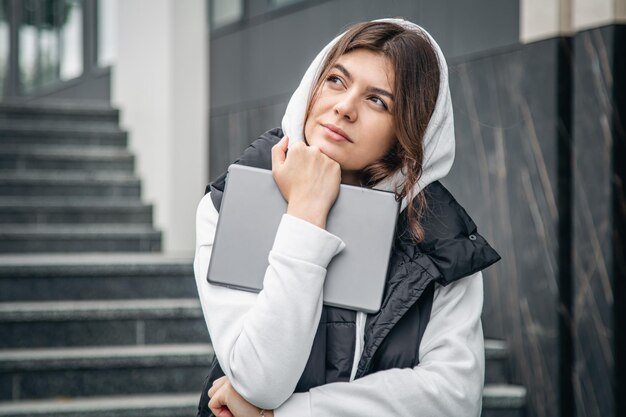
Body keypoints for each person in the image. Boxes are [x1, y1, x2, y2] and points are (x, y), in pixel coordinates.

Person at [193, 18, 500, 417]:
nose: (344, 107)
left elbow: (454, 397)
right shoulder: (228, 203)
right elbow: (260, 378)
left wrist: (292, 414)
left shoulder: (444, 242)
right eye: (337, 80)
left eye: (378, 100)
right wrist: (305, 213)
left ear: (410, 130)